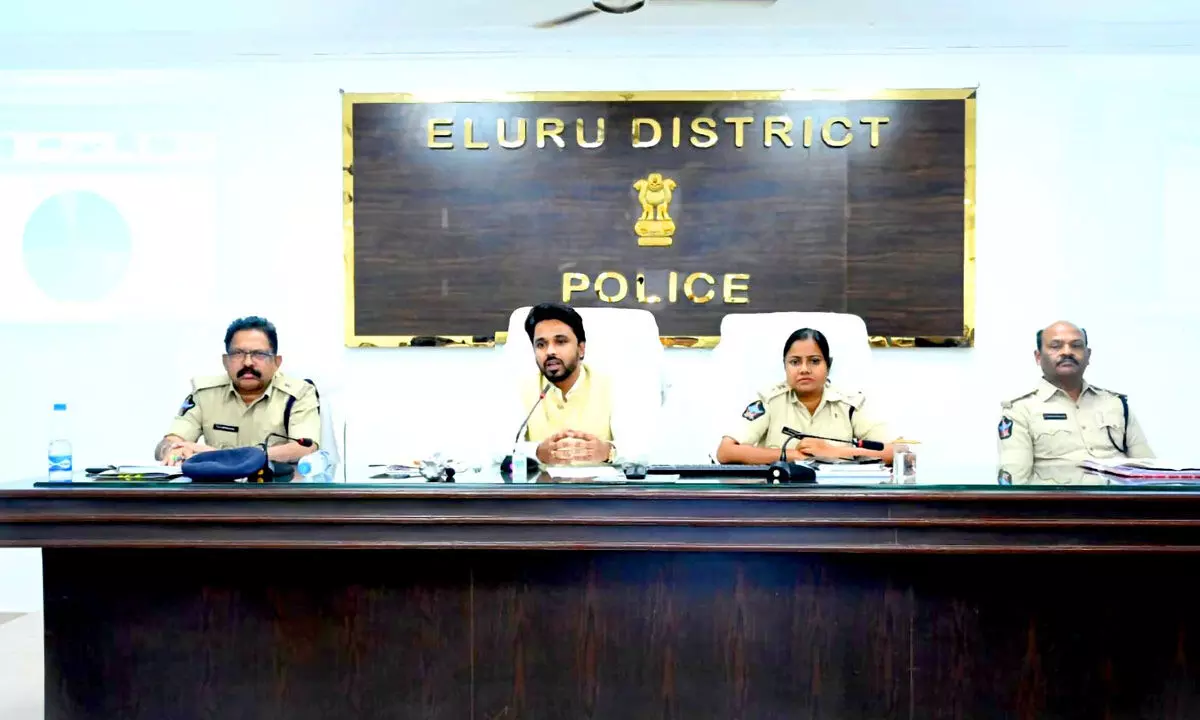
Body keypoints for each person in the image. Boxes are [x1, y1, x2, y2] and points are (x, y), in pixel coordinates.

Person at [997, 320, 1153, 483]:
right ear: (1038, 357)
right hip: (1059, 507)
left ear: (1088, 355)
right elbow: (1015, 483)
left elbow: (1148, 471)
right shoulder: (1019, 409)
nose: (1067, 352)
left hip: (1120, 506)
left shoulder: (1116, 404)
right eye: (1056, 346)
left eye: (1076, 345)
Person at [155, 316, 321, 466]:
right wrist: (173, 450)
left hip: (276, 492)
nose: (248, 363)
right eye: (238, 354)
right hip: (218, 492)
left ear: (277, 362)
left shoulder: (299, 394)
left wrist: (220, 456)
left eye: (259, 354)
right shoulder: (205, 394)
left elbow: (305, 448)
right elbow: (169, 442)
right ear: (225, 361)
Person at [716, 327, 895, 464]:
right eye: (795, 362)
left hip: (840, 501)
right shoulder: (769, 401)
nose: (804, 369)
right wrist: (792, 455)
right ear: (785, 366)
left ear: (828, 365)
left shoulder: (850, 404)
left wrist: (834, 452)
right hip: (777, 499)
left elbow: (898, 452)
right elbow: (725, 452)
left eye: (814, 361)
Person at [513, 303, 629, 465]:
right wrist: (537, 452)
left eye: (560, 342)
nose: (550, 351)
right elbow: (497, 449)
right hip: (541, 489)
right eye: (541, 344)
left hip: (600, 489)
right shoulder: (521, 388)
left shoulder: (612, 386)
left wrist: (607, 451)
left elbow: (640, 449)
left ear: (581, 349)